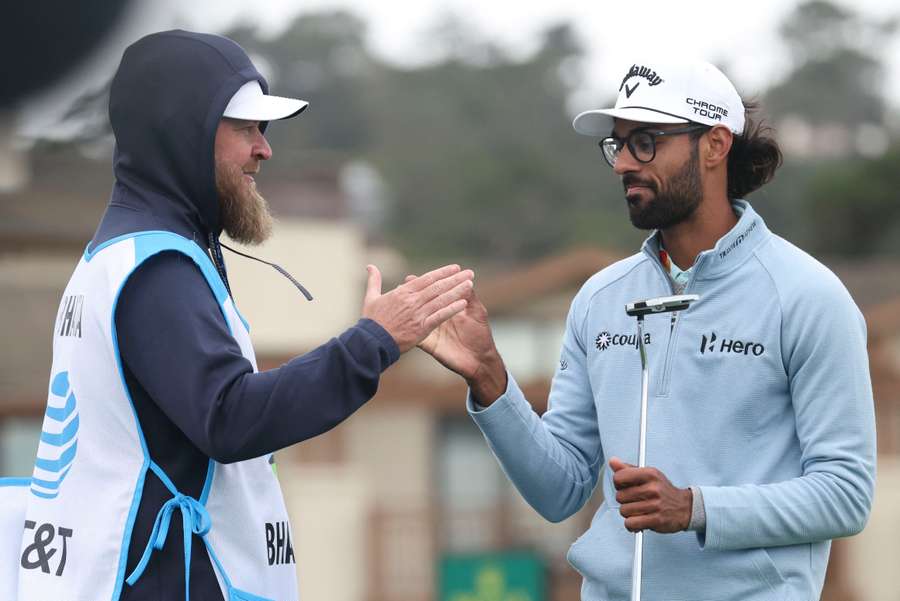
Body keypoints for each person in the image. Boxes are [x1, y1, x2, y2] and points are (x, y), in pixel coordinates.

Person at [12, 30, 473, 601]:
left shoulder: (120, 253)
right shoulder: (158, 267)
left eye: (265, 129)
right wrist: (375, 341)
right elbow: (230, 419)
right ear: (182, 132)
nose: (264, 148)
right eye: (246, 127)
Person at [420, 58, 876, 600]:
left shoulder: (809, 297)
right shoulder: (599, 298)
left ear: (714, 145)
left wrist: (693, 508)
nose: (622, 165)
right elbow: (560, 490)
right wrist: (489, 377)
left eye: (646, 142)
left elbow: (845, 495)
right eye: (618, 145)